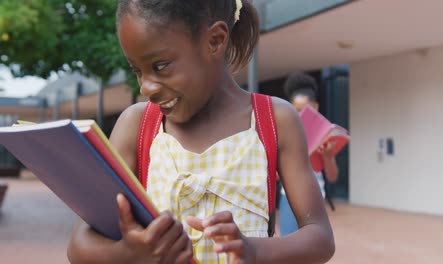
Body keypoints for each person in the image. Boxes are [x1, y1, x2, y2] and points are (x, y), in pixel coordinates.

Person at [67, 1, 335, 263]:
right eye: (137, 70)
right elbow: (79, 244)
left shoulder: (274, 120)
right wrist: (128, 255)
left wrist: (255, 250)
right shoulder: (137, 126)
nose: (146, 87)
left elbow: (320, 237)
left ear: (215, 40)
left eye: (160, 66)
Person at [278, 72, 339, 236]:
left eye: (306, 110)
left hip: (316, 200)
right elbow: (275, 176)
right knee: (289, 248)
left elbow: (332, 177)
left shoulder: (324, 134)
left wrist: (327, 156)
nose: (300, 115)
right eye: (296, 110)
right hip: (289, 199)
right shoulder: (284, 134)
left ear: (316, 107)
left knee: (312, 251)